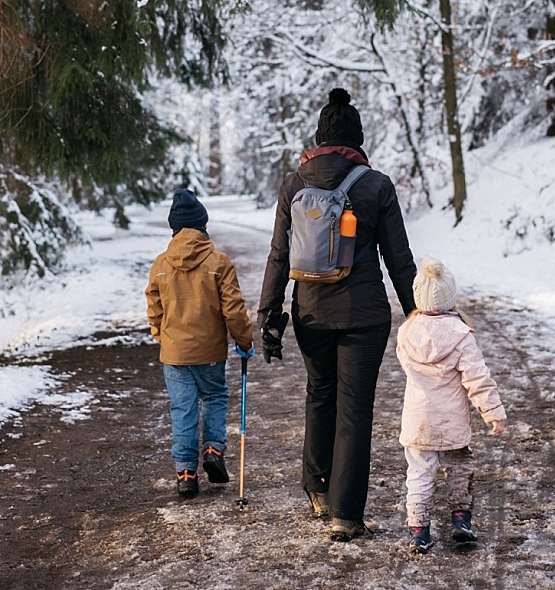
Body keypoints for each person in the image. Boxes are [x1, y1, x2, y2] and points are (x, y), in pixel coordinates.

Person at [257, 87, 417, 541]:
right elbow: (399, 259)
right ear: (357, 139)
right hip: (364, 318)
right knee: (355, 410)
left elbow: (277, 256)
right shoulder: (376, 185)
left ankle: (317, 489)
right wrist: (418, 315)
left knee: (319, 395)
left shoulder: (293, 185)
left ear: (319, 137)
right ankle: (346, 514)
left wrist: (269, 315)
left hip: (310, 314)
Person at [145, 189, 254, 498]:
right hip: (209, 353)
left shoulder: (161, 264)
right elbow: (233, 308)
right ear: (203, 225)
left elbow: (154, 306)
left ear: (173, 229)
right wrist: (244, 340)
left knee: (183, 409)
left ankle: (186, 472)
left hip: (175, 353)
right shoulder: (218, 262)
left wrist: (161, 336)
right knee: (215, 397)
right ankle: (213, 450)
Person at [397, 256, 507, 553]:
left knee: (419, 474)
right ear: (450, 297)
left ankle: (419, 531)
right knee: (459, 468)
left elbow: (407, 366)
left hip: (418, 420)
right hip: (452, 420)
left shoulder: (407, 331)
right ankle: (461, 519)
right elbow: (477, 378)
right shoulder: (461, 335)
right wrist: (493, 413)